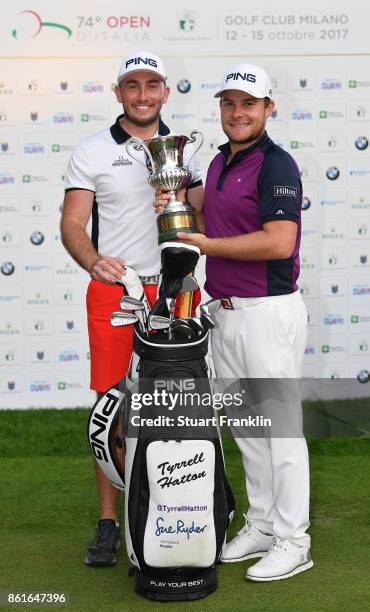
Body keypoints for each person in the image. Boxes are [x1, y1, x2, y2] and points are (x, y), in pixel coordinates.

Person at [155, 62, 312, 582]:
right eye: (229, 103)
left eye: (248, 103)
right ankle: (263, 523)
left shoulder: (277, 165)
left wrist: (207, 245)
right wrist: (175, 202)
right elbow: (208, 220)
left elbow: (277, 241)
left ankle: (294, 539)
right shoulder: (220, 161)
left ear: (269, 108)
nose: (237, 112)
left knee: (282, 432)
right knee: (248, 429)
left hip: (268, 312)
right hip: (224, 313)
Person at [60, 51, 203, 567]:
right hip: (116, 290)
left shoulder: (182, 150)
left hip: (177, 286)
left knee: (177, 401)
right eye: (132, 86)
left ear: (166, 91)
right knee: (110, 406)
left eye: (152, 85)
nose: (142, 95)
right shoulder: (93, 149)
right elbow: (73, 222)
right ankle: (108, 522)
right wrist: (94, 260)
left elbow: (208, 217)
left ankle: (175, 508)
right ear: (118, 93)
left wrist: (180, 204)